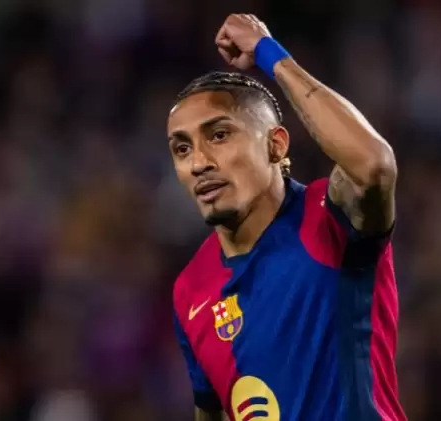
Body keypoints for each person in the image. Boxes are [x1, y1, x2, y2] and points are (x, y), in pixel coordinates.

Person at [168, 14, 406, 421]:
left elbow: (374, 165)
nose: (199, 163)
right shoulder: (190, 289)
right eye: (182, 148)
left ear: (276, 146)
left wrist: (269, 52)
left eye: (219, 135)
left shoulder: (329, 218)